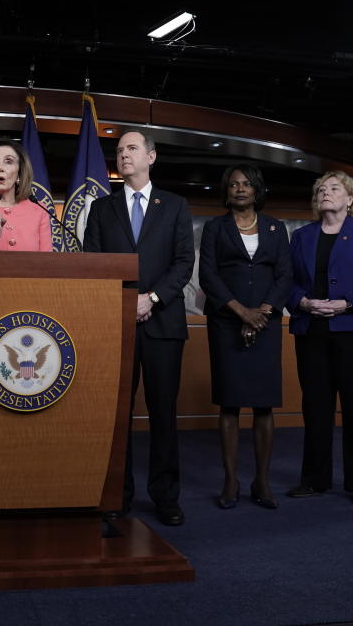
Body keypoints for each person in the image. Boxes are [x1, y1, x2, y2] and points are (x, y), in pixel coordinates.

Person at [82, 129, 194, 526]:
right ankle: (117, 495)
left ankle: (166, 497)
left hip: (163, 323)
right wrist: (124, 301)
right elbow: (92, 263)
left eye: (131, 148)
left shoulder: (176, 206)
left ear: (152, 156)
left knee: (164, 413)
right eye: (119, 150)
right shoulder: (101, 209)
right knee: (116, 414)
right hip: (115, 324)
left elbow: (183, 262)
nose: (124, 155)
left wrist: (152, 299)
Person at [286, 171, 353, 505]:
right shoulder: (302, 236)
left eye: (334, 188)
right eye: (321, 189)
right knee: (316, 406)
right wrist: (302, 302)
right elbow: (285, 279)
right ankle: (315, 478)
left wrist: (348, 303)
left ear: (350, 198)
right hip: (312, 329)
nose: (325, 193)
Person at [197, 164, 292, 510]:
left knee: (264, 404)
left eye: (247, 184)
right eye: (234, 184)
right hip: (226, 323)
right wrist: (242, 312)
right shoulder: (214, 228)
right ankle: (231, 481)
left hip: (265, 324)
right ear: (226, 191)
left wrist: (262, 312)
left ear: (257, 190)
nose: (240, 189)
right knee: (230, 403)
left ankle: (262, 481)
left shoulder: (275, 228)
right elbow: (207, 274)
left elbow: (285, 275)